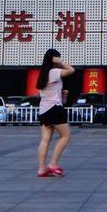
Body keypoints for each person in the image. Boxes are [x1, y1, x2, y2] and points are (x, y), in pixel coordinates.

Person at [34, 47, 76, 177]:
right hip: (54, 109)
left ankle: (41, 169)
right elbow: (71, 70)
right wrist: (61, 60)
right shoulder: (53, 71)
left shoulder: (42, 74)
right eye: (56, 58)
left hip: (44, 110)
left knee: (45, 139)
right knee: (66, 136)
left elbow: (42, 93)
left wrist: (61, 94)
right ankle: (53, 163)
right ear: (53, 59)